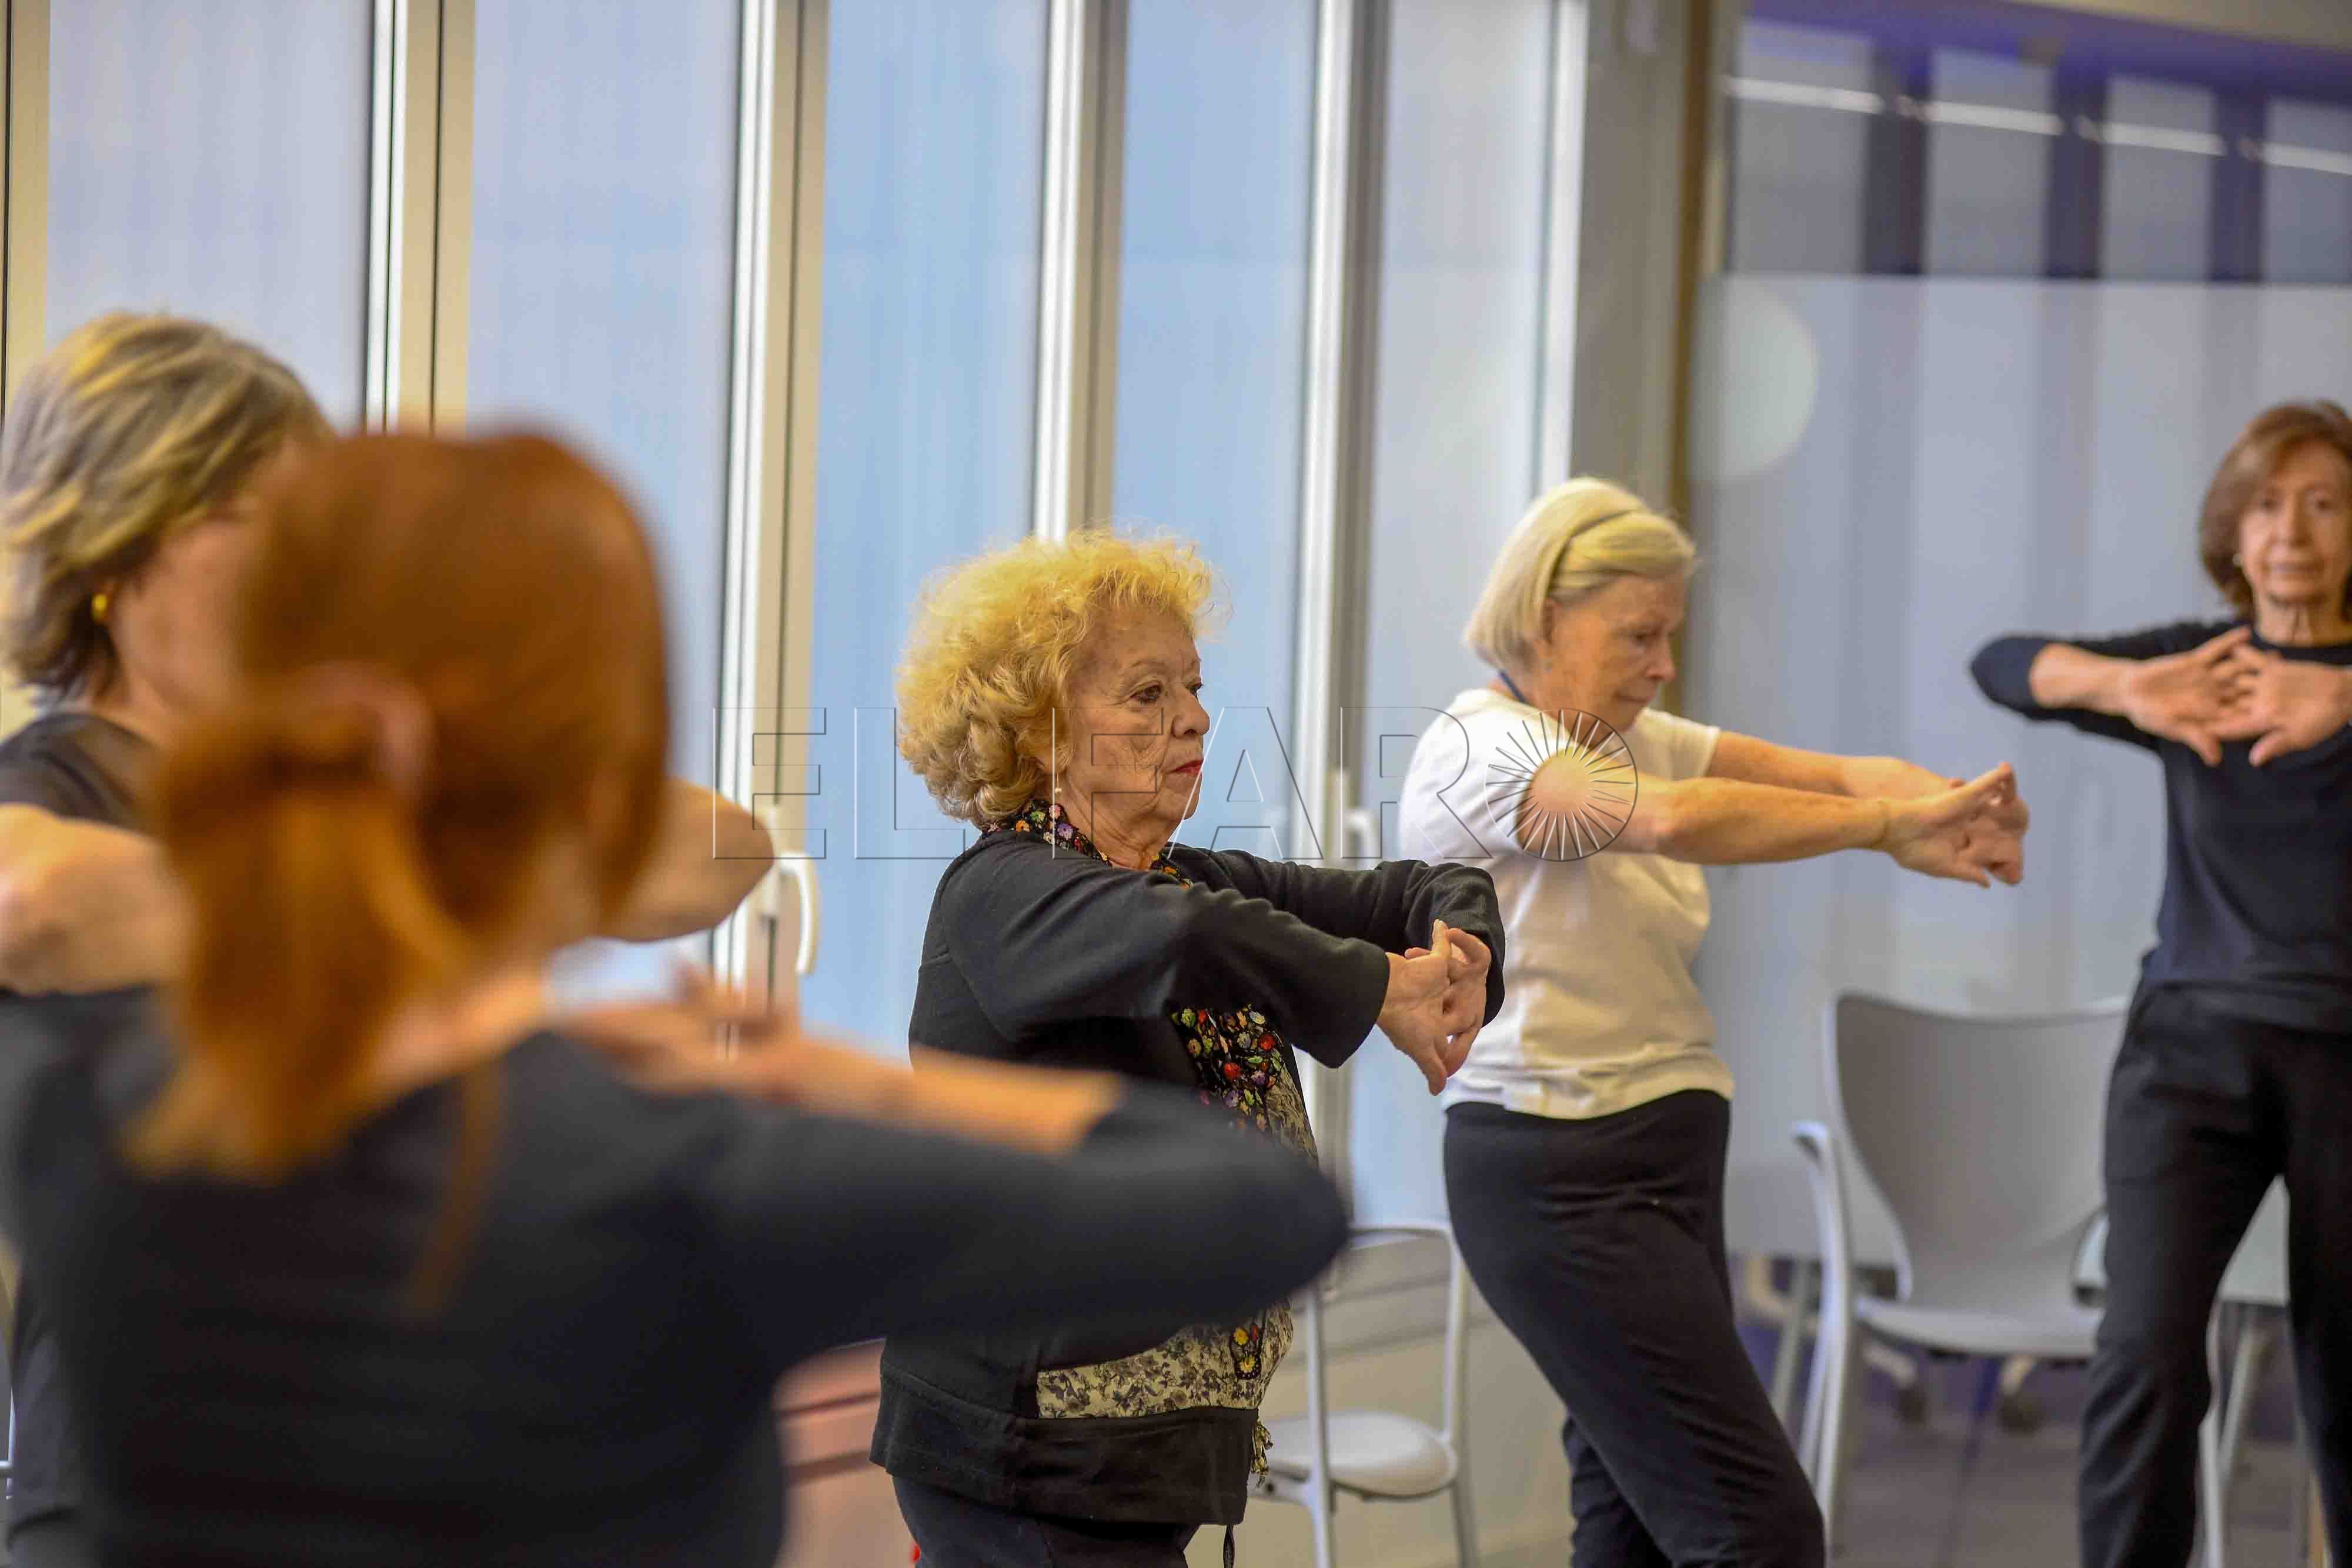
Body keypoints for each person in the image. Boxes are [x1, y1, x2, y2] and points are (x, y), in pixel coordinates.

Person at [0, 429, 1353, 1568]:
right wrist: (848, 1082)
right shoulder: (669, 1168)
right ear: (595, 794)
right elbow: (1261, 1210)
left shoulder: (91, 1118)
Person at [0, 313, 772, 1568]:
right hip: (140, 1480)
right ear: (116, 542)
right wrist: (385, 893)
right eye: (250, 512)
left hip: (379, 1456)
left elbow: (714, 850)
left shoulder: (347, 790)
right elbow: (29, 906)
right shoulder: (58, 782)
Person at [1396, 477, 2029, 1568]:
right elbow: (1677, 823)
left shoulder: (1625, 733)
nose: (1663, 664)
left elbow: (1830, 772)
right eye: (1638, 635)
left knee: (1634, 1521)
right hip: (1558, 1177)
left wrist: (1952, 806)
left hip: (1663, 1157)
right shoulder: (1483, 750)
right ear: (1546, 619)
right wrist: (1884, 829)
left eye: (1669, 634)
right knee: (1759, 1532)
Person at [871, 531, 1506, 1566]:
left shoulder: (1187, 877)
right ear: (1043, 733)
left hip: (1140, 1465)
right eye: (1147, 693)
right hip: (1023, 1462)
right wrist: (1381, 988)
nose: (1196, 717)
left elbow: (1411, 889)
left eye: (1194, 687)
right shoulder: (1003, 896)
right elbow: (1190, 940)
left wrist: (1462, 954)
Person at [1971, 400, 2352, 1568]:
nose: (2289, 529)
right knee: (2142, 1356)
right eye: (2262, 503)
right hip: (2187, 1050)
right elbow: (1999, 665)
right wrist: (2121, 688)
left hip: (2344, 1056)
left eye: (2324, 501)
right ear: (2229, 533)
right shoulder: (2202, 667)